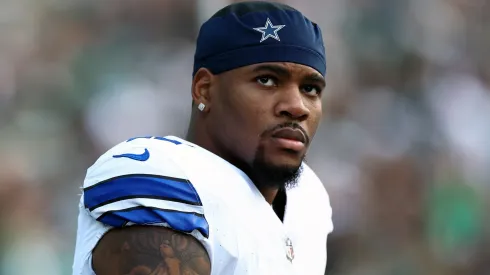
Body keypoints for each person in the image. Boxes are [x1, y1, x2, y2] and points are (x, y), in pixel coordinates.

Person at [72, 1, 333, 274]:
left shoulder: (309, 197)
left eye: (310, 88)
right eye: (266, 80)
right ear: (204, 90)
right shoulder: (164, 173)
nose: (297, 106)